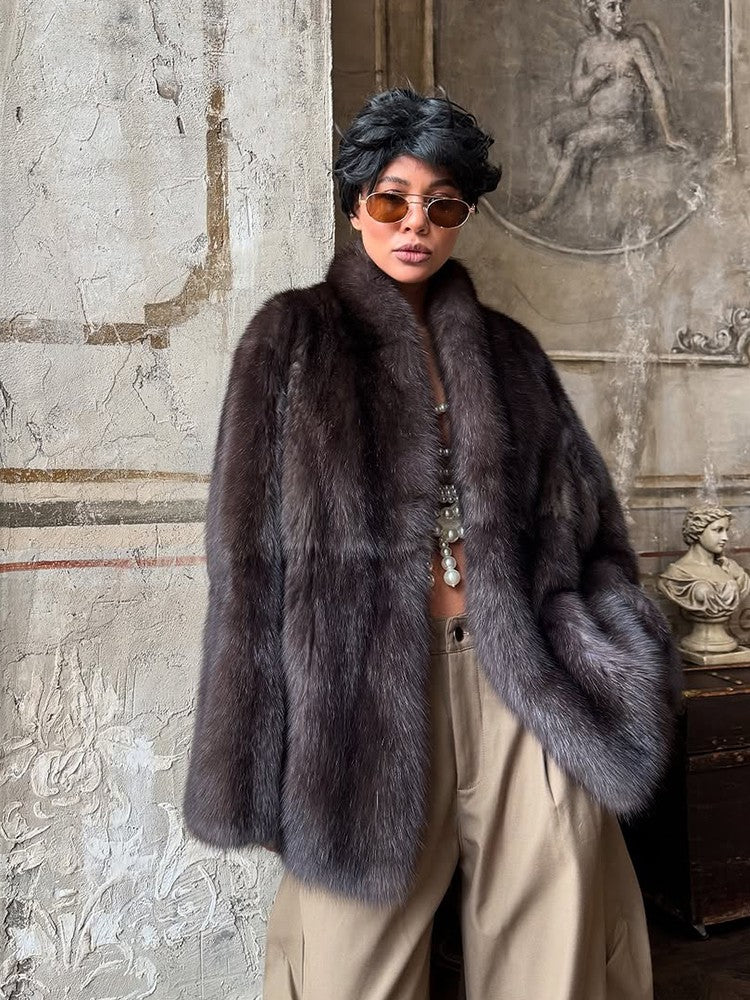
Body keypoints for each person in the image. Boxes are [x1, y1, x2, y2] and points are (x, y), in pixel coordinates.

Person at [182, 87, 683, 999]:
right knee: (349, 970)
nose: (416, 223)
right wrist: (251, 751)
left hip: (520, 680)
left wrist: (609, 648)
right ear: (356, 205)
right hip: (360, 696)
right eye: (392, 200)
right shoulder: (291, 338)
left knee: (558, 958)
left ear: (462, 217)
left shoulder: (510, 351)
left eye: (442, 205)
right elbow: (245, 564)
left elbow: (591, 530)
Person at [527, 0, 688, 221]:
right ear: (596, 12)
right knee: (545, 131)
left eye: (622, 6)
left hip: (625, 125)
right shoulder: (586, 47)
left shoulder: (633, 45)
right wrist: (595, 77)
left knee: (574, 143)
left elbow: (655, 87)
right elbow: (577, 95)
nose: (620, 14)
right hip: (594, 116)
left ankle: (545, 209)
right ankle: (569, 192)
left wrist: (670, 135)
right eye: (612, 7)